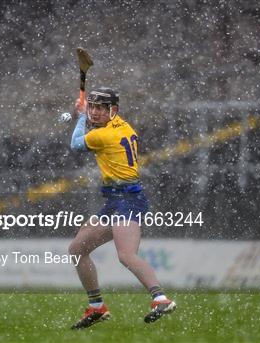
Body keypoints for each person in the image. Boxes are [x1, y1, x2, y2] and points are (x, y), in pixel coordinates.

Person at [68, 87, 176, 329]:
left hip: (128, 200)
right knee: (77, 249)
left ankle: (161, 299)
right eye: (92, 107)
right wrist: (85, 113)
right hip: (115, 201)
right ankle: (97, 307)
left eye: (99, 108)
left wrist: (81, 116)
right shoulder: (122, 125)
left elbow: (75, 145)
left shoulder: (104, 135)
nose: (94, 112)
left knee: (126, 254)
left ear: (113, 110)